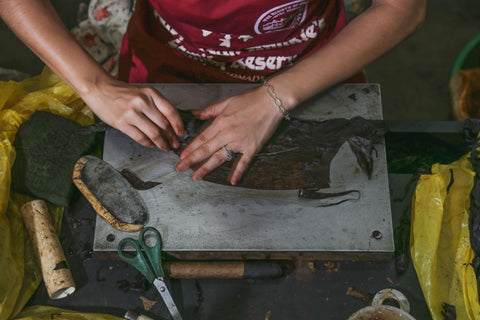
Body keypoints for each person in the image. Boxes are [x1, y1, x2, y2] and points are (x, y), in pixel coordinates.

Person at [0, 0, 425, 185]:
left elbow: (401, 8)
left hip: (310, 67)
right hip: (167, 64)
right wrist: (95, 85)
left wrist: (274, 97)